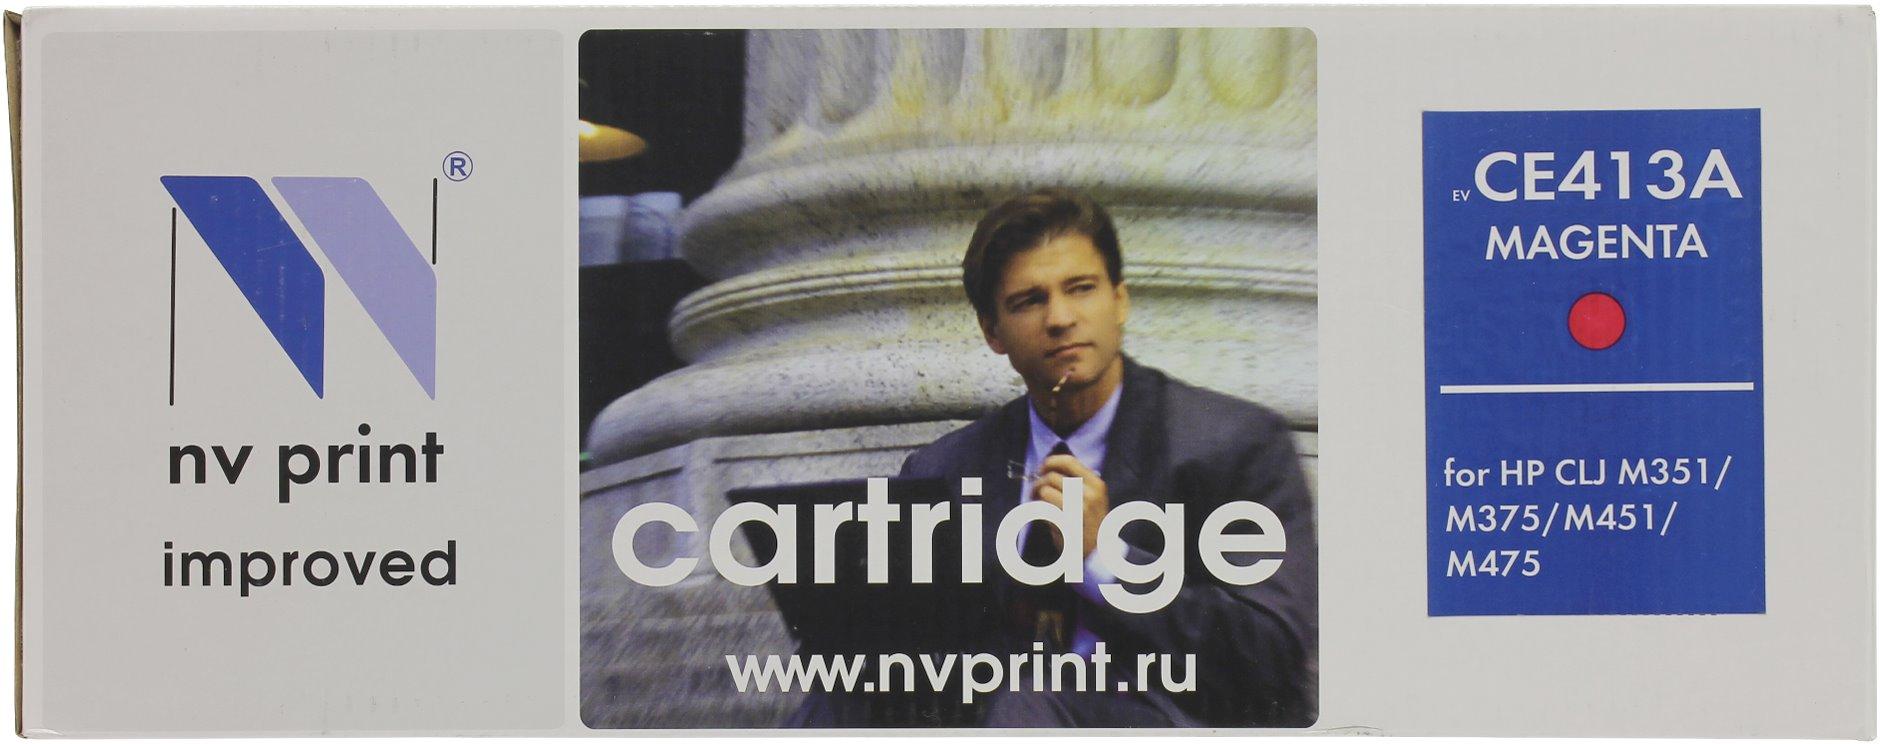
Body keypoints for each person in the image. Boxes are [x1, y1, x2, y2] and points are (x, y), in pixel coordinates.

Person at [789, 187, 1316, 728]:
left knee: (1030, 700)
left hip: (1159, 718)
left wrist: (1104, 558)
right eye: (1028, 301)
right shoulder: (945, 470)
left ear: (1120, 301)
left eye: (1081, 289)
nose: (1060, 318)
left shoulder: (1233, 445)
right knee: (839, 698)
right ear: (992, 331)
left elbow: (1272, 652)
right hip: (990, 717)